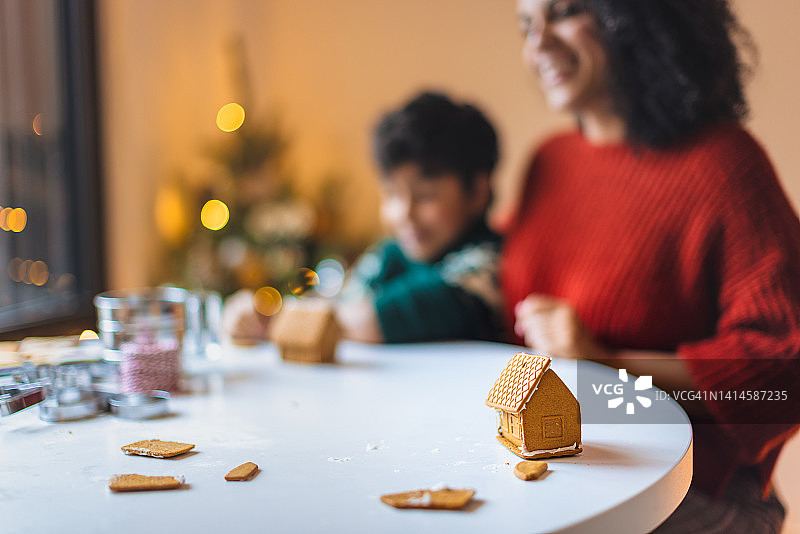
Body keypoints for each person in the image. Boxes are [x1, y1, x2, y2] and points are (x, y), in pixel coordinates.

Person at [505, 0, 799, 532]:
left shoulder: (724, 164)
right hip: (566, 470)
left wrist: (606, 363)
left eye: (566, 12)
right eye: (527, 24)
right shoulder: (548, 161)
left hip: (684, 490)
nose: (538, 42)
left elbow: (785, 372)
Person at [223, 91, 504, 344]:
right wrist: (262, 315)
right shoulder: (391, 254)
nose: (404, 214)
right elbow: (339, 303)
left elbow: (373, 320)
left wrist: (281, 321)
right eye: (392, 194)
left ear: (477, 193)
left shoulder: (486, 262)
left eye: (426, 196)